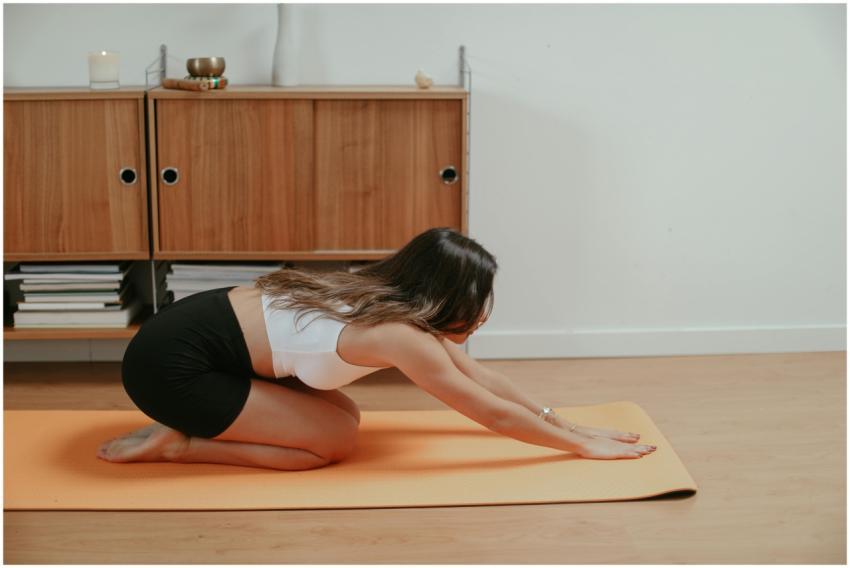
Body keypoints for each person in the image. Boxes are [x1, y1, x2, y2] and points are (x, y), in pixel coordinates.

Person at [98, 227, 656, 470]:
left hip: (192, 339)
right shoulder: (397, 333)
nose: (482, 312)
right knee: (332, 442)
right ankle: (180, 446)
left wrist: (569, 425)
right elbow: (484, 408)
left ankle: (192, 429)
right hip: (171, 369)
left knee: (343, 412)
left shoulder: (385, 293)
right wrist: (578, 450)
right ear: (445, 295)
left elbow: (481, 377)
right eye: (477, 299)